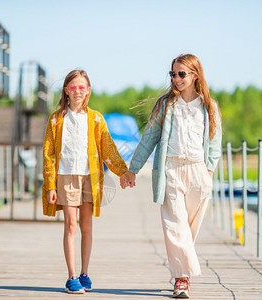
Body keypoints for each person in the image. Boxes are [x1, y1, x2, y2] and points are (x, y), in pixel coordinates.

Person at [121, 54, 222, 298]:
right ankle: (182, 280)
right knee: (174, 225)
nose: (176, 79)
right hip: (171, 170)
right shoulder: (165, 105)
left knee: (188, 229)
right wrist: (132, 169)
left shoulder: (209, 106)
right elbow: (148, 139)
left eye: (181, 74)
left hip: (198, 171)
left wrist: (208, 172)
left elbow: (214, 141)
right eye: (173, 74)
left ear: (195, 75)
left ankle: (182, 272)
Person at [42, 69, 128, 294]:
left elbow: (108, 149)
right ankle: (71, 277)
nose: (77, 91)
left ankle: (84, 273)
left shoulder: (96, 119)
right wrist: (50, 184)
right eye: (73, 87)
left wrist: (124, 173)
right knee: (70, 225)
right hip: (66, 176)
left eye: (82, 87)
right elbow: (49, 153)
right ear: (66, 91)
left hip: (91, 177)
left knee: (86, 226)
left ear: (88, 90)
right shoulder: (56, 119)